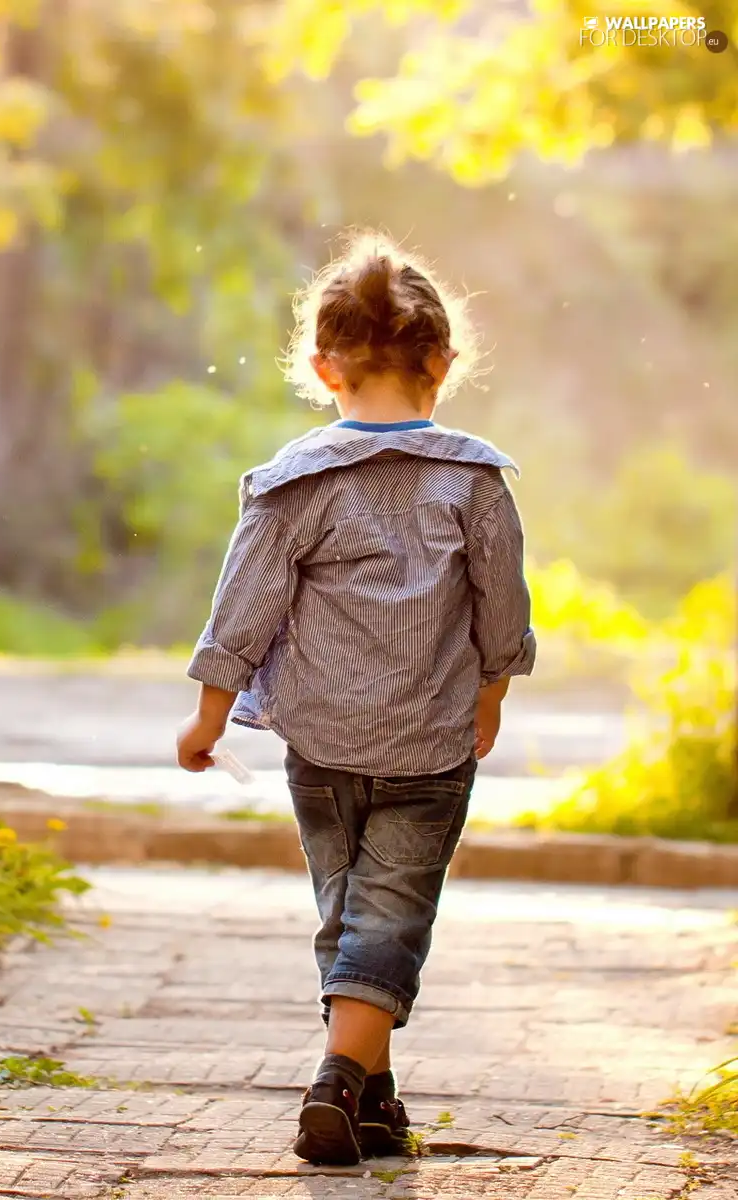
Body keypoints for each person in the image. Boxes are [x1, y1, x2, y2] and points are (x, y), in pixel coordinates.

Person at [174, 230, 534, 1166]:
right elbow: (504, 606)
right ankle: (339, 1086)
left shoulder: (296, 485)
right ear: (441, 364)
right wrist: (493, 689)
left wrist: (210, 718)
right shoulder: (475, 484)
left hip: (322, 745)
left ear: (324, 367)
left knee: (349, 913)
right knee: (389, 913)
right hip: (431, 744)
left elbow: (241, 612)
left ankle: (370, 1102)